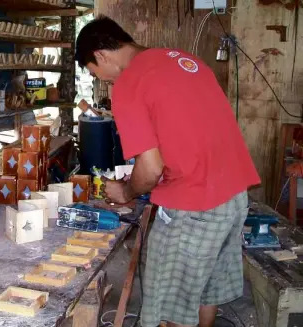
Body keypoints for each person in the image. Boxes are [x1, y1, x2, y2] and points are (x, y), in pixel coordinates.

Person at [75, 17, 260, 327]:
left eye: (96, 73)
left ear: (102, 55)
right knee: (202, 292)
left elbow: (150, 169)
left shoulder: (130, 82)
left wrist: (126, 190)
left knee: (170, 307)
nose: (103, 80)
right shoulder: (185, 60)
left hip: (194, 204)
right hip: (234, 195)